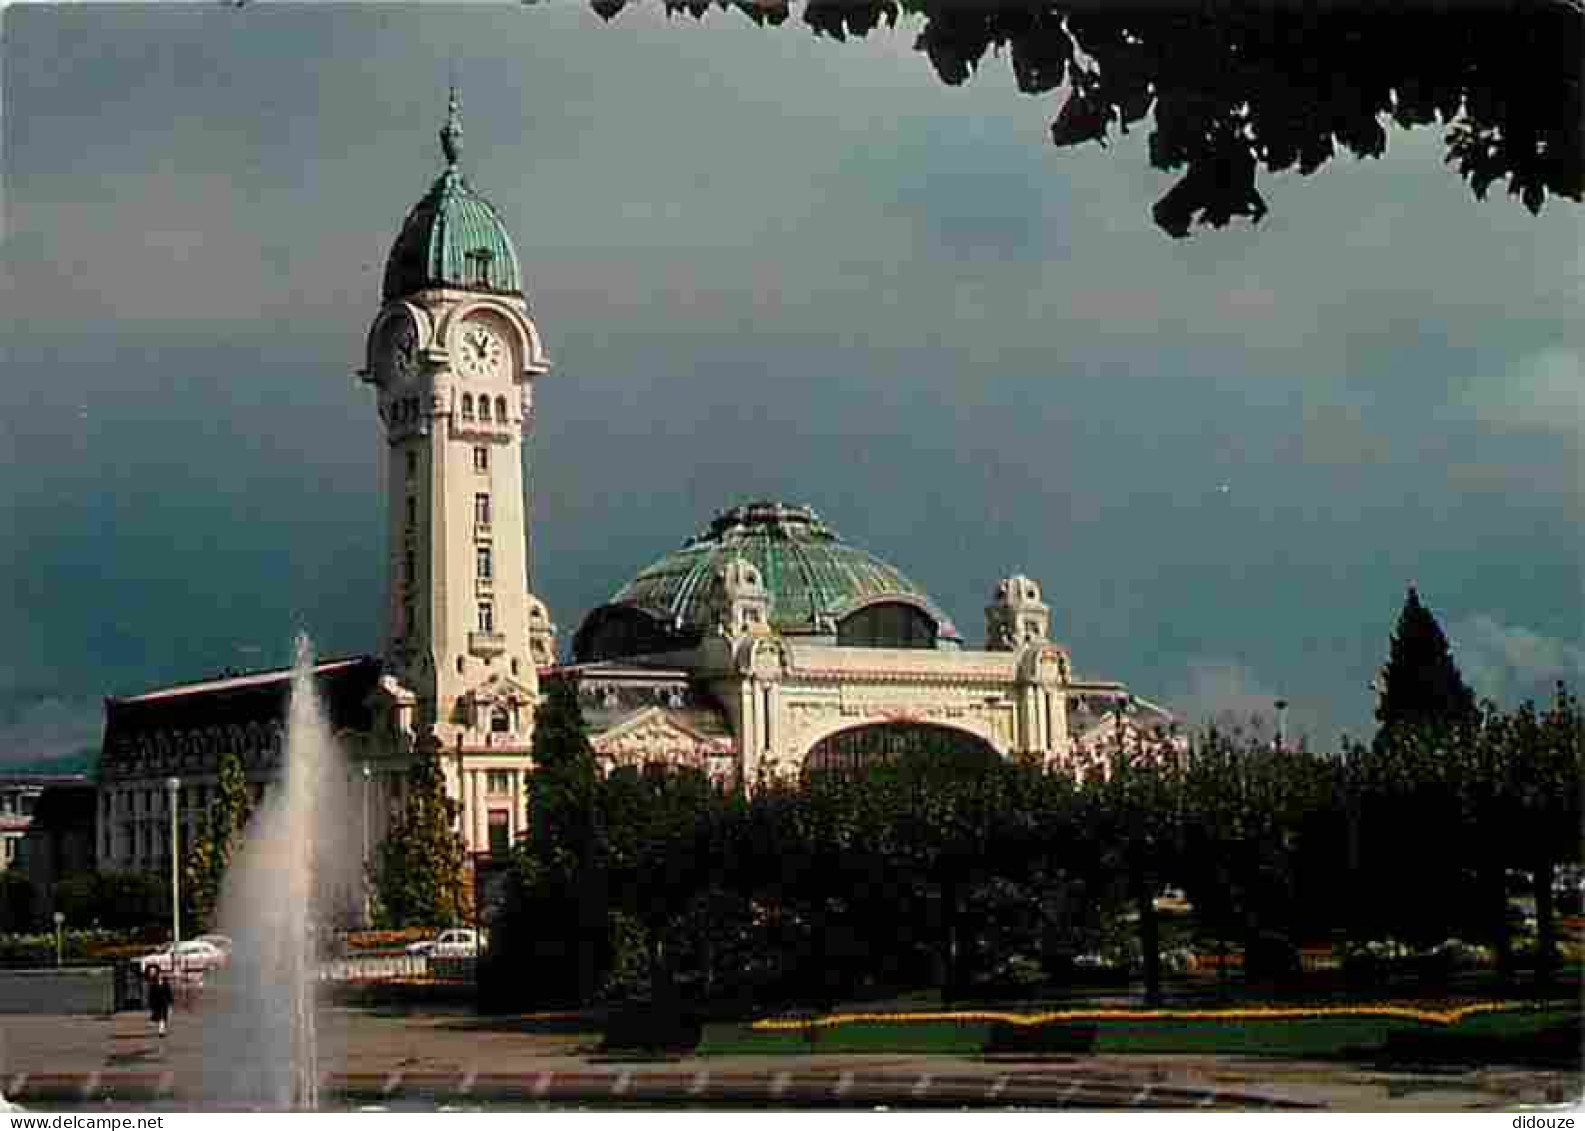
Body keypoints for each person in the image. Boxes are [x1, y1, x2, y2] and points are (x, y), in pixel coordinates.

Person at [147, 967, 174, 1038]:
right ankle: (159, 1027)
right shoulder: (153, 983)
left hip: (164, 1003)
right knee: (159, 1017)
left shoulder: (166, 984)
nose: (160, 977)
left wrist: (170, 1003)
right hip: (156, 1004)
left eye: (161, 976)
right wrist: (150, 1003)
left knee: (163, 1018)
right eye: (159, 975)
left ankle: (161, 1031)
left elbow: (169, 993)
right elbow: (151, 994)